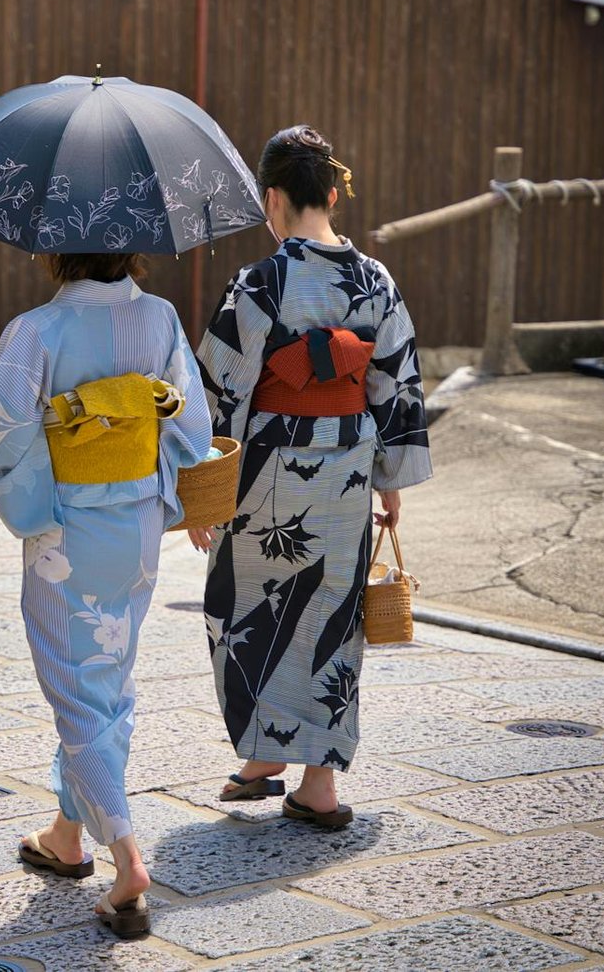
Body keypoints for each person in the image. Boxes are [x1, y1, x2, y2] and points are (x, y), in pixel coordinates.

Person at [0, 253, 211, 937]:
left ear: (54, 248)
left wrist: (58, 415)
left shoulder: (38, 329)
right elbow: (190, 426)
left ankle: (127, 859)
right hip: (139, 523)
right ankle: (67, 836)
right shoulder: (159, 317)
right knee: (109, 678)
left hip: (69, 531)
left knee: (77, 688)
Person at [190, 125, 431, 829]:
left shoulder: (259, 283)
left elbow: (220, 392)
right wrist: (389, 479)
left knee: (244, 606)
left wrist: (201, 490)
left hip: (267, 467)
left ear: (272, 198)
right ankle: (313, 781)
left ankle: (265, 751)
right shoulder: (377, 280)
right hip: (350, 462)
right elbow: (395, 385)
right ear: (331, 192)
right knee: (331, 613)